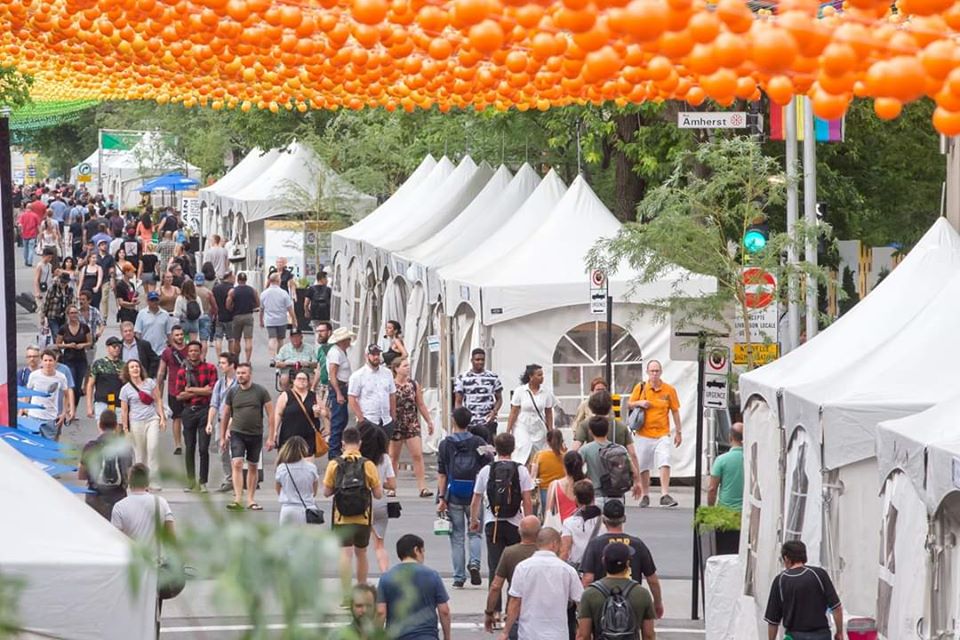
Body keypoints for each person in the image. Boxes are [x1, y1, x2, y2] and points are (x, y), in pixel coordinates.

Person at [471, 433, 535, 617]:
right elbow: (527, 500)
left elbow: (476, 499)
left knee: (495, 566)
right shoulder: (521, 470)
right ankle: (511, 609)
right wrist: (528, 522)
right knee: (516, 567)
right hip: (515, 524)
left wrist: (474, 520)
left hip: (493, 523)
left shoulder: (486, 470)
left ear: (495, 449)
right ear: (513, 449)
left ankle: (495, 610)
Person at [323, 426, 382, 594]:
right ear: (360, 443)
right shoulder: (368, 465)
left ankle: (346, 595)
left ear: (343, 444)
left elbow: (326, 492)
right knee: (361, 553)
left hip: (341, 517)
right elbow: (378, 494)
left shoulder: (334, 464)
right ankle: (362, 590)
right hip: (363, 517)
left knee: (345, 554)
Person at [579, 501, 663, 620]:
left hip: (602, 603)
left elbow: (588, 579)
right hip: (632, 601)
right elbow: (652, 580)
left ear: (603, 520)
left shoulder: (595, 544)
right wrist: (658, 603)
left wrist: (586, 605)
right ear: (624, 518)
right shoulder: (637, 544)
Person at [437, 406, 491, 588]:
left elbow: (442, 473)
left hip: (453, 494)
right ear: (469, 422)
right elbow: (489, 461)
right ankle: (474, 563)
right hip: (474, 493)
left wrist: (441, 498)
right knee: (475, 533)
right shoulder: (478, 441)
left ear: (454, 421)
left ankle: (459, 576)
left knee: (457, 537)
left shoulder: (445, 444)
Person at [501, 527, 583, 640]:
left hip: (529, 634)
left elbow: (515, 602)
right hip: (558, 634)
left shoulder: (523, 567)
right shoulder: (567, 570)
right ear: (554, 544)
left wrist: (506, 631)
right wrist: (582, 630)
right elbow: (580, 602)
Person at [627, 360, 682, 508]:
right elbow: (629, 404)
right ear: (647, 372)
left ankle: (664, 494)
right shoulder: (641, 387)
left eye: (657, 371)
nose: (654, 374)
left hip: (662, 433)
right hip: (643, 433)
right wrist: (640, 403)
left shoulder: (669, 390)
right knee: (643, 464)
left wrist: (678, 432)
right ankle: (645, 495)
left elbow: (675, 411)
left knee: (665, 459)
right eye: (652, 371)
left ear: (661, 372)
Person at [376, 534, 451, 640]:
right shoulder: (432, 575)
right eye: (422, 551)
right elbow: (444, 611)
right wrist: (447, 637)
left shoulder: (386, 578)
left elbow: (380, 612)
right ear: (416, 550)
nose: (423, 556)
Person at [576, 542, 657, 640]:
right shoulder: (642, 594)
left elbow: (583, 635)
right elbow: (648, 635)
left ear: (603, 561)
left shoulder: (590, 594)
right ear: (628, 564)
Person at [222, 363, 275, 511]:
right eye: (238, 373)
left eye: (243, 373)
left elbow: (271, 414)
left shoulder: (260, 391)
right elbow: (225, 414)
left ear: (250, 374)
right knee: (237, 463)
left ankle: (251, 499)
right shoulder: (232, 392)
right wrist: (222, 436)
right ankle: (238, 498)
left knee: (253, 465)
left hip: (255, 433)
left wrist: (271, 437)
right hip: (237, 432)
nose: (240, 376)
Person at [764, 541, 843, 640]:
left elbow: (773, 621)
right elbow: (837, 608)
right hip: (822, 635)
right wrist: (839, 632)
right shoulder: (819, 574)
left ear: (786, 558)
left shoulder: (780, 580)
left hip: (794, 636)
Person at [484, 516, 542, 635]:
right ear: (539, 532)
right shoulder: (546, 553)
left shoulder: (510, 553)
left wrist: (489, 611)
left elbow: (496, 586)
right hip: (543, 613)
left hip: (516, 613)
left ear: (519, 531)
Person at [174, 341, 217, 492]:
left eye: (196, 351)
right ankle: (191, 481)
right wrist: (201, 390)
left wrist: (191, 389)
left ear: (201, 352)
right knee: (189, 447)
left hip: (205, 410)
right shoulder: (182, 372)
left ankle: (203, 481)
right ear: (188, 353)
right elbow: (179, 395)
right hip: (188, 411)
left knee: (204, 448)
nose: (193, 353)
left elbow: (212, 391)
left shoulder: (210, 368)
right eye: (191, 351)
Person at [389, 355, 434, 497]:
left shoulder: (413, 385)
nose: (407, 368)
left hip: (411, 422)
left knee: (417, 455)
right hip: (396, 423)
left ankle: (422, 487)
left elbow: (420, 404)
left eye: (408, 366)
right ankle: (391, 487)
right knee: (393, 457)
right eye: (404, 366)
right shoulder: (391, 384)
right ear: (396, 369)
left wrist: (429, 421)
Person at [78, 409, 134, 519]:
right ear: (116, 426)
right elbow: (129, 476)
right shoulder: (125, 448)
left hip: (95, 500)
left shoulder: (91, 447)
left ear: (99, 425)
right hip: (118, 499)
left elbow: (81, 475)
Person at [119, 359, 166, 488]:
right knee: (139, 453)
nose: (135, 369)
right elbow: (124, 411)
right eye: (132, 367)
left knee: (152, 448)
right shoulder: (125, 389)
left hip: (152, 419)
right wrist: (125, 428)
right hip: (136, 422)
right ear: (128, 371)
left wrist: (162, 417)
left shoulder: (149, 383)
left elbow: (158, 400)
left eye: (137, 366)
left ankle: (153, 480)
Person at [358, 420, 396, 573]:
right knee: (379, 544)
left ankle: (362, 578)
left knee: (361, 548)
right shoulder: (384, 458)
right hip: (380, 503)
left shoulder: (358, 459)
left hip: (361, 502)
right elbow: (392, 484)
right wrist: (379, 483)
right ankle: (385, 573)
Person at [579, 416, 642, 505]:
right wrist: (637, 482)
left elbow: (577, 469)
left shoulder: (585, 450)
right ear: (608, 430)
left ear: (590, 431)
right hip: (617, 495)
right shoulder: (620, 449)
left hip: (595, 495)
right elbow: (633, 471)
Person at [506, 364, 555, 464]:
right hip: (522, 424)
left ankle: (535, 471)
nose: (542, 377)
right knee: (523, 448)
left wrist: (550, 430)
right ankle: (520, 469)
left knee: (538, 452)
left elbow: (548, 412)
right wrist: (508, 430)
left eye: (542, 375)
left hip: (538, 426)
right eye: (539, 375)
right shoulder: (520, 391)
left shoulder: (546, 392)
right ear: (531, 376)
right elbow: (514, 412)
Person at [206, 352, 239, 493]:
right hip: (221, 421)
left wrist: (229, 427)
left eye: (223, 363)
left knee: (236, 453)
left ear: (232, 365)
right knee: (223, 451)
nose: (220, 366)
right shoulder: (220, 383)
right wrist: (209, 422)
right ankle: (229, 479)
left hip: (236, 420)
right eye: (220, 363)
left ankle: (238, 481)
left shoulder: (239, 383)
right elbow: (214, 404)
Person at [454, 348, 503, 443]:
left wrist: (494, 412)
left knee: (488, 449)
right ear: (471, 360)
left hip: (488, 422)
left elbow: (499, 399)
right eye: (477, 359)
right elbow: (458, 402)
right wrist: (460, 421)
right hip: (470, 423)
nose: (480, 362)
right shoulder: (462, 378)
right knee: (471, 449)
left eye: (482, 360)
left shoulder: (493, 377)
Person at [23, 349, 73, 440]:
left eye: (50, 360)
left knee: (49, 443)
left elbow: (66, 395)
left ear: (55, 361)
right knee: (34, 442)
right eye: (45, 360)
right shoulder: (34, 375)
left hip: (50, 417)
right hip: (34, 416)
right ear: (41, 362)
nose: (48, 363)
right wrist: (25, 408)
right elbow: (28, 391)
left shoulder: (61, 377)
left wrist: (64, 413)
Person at [347, 343, 396, 437]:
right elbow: (352, 398)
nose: (376, 357)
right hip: (369, 420)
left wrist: (393, 416)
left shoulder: (387, 373)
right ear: (367, 355)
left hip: (386, 420)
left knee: (385, 445)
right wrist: (361, 419)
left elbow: (392, 394)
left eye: (378, 354)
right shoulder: (358, 376)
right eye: (373, 354)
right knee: (368, 445)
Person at [274, 369, 325, 457]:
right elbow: (278, 414)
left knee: (308, 461)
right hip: (289, 436)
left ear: (308, 382)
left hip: (309, 436)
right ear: (293, 381)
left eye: (304, 379)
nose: (302, 381)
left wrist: (319, 411)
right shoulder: (286, 395)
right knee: (288, 461)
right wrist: (274, 431)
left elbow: (325, 413)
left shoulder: (314, 396)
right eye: (299, 379)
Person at [274, 435, 320, 525]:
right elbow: (314, 492)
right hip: (308, 509)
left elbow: (278, 489)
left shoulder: (282, 468)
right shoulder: (311, 468)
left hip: (288, 509)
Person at [157, 325, 188, 455]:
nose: (179, 337)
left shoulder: (190, 349)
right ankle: (178, 444)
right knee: (176, 417)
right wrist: (158, 390)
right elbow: (161, 371)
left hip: (189, 389)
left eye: (181, 334)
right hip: (173, 390)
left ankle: (189, 441)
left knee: (189, 418)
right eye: (177, 335)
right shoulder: (167, 352)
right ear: (172, 337)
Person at [560, 480, 604, 569]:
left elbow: (565, 551)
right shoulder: (604, 521)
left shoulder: (569, 522)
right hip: (598, 567)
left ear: (576, 499)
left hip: (577, 568)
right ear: (593, 498)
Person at [326, 326, 354, 458]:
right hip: (339, 387)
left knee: (342, 419)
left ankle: (335, 448)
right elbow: (332, 374)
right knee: (338, 420)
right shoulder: (335, 353)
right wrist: (338, 392)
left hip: (343, 386)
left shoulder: (340, 352)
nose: (349, 341)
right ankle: (333, 451)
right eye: (348, 339)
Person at [56, 304, 92, 408]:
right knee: (71, 385)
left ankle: (74, 408)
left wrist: (83, 345)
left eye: (75, 313)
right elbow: (57, 344)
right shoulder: (63, 328)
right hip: (69, 359)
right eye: (71, 313)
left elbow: (90, 342)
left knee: (78, 386)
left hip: (81, 359)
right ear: (68, 315)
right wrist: (68, 345)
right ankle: (68, 407)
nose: (74, 315)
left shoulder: (84, 327)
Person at [85, 336, 124, 420]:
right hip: (102, 401)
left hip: (118, 402)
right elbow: (90, 385)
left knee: (117, 427)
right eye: (114, 346)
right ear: (108, 347)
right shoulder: (99, 364)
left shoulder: (123, 365)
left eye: (119, 346)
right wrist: (89, 406)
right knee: (103, 426)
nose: (117, 349)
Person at [708, 422, 744, 511]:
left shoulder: (721, 460)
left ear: (730, 437)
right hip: (746, 511)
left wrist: (711, 509)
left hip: (725, 510)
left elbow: (712, 489)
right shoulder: (752, 460)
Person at [260, 272, 297, 357]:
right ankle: (279, 357)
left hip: (269, 320)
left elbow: (261, 309)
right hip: (281, 320)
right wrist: (294, 320)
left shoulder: (264, 293)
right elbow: (290, 308)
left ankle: (272, 357)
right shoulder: (283, 293)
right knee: (280, 340)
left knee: (272, 338)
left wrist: (261, 320)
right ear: (278, 281)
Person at [531, 429, 566, 515]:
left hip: (545, 490)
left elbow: (533, 476)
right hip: (562, 489)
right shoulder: (565, 456)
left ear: (547, 441)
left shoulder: (539, 455)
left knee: (548, 515)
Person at [546, 451, 588, 524]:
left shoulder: (554, 485)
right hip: (583, 525)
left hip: (562, 526)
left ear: (564, 466)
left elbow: (548, 512)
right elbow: (591, 507)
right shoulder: (586, 483)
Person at [226, 271, 259, 363]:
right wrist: (252, 306)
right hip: (248, 316)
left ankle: (236, 358)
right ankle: (248, 360)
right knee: (248, 339)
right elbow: (257, 303)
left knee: (236, 339)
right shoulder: (252, 290)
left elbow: (228, 305)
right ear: (246, 280)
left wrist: (232, 309)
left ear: (238, 280)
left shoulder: (233, 291)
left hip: (237, 316)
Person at [135, 291, 174, 357]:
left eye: (156, 300)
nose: (154, 302)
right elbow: (138, 333)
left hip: (162, 350)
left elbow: (169, 333)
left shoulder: (165, 314)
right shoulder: (141, 314)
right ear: (148, 301)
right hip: (146, 350)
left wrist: (172, 347)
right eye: (152, 300)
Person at [77, 289, 104, 370]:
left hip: (91, 343)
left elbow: (101, 323)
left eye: (83, 299)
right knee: (80, 365)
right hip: (79, 343)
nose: (81, 302)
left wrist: (100, 332)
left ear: (89, 301)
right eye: (80, 299)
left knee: (88, 365)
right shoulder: (76, 312)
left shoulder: (94, 311)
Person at [43, 272, 74, 339]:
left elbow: (70, 304)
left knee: (63, 335)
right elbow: (46, 304)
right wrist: (43, 317)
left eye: (65, 282)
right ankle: (57, 345)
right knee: (56, 335)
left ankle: (59, 345)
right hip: (53, 316)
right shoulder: (52, 289)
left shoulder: (69, 290)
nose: (63, 284)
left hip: (63, 317)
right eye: (62, 282)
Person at [212, 271, 236, 355]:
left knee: (218, 338)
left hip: (219, 316)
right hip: (230, 317)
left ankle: (219, 357)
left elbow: (213, 302)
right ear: (229, 277)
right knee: (231, 339)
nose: (234, 280)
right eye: (233, 278)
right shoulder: (232, 289)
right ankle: (231, 356)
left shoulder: (215, 288)